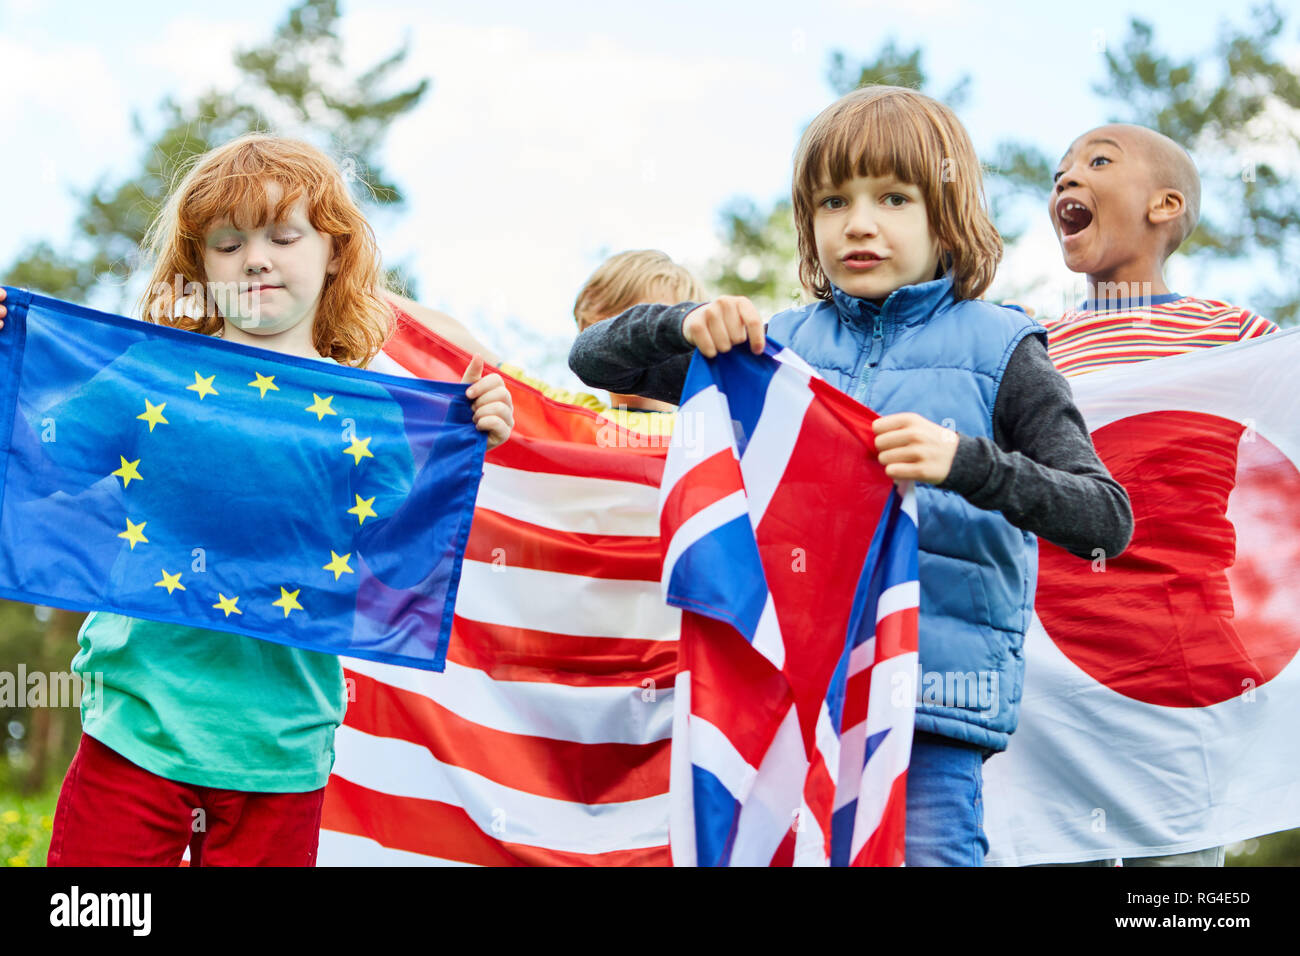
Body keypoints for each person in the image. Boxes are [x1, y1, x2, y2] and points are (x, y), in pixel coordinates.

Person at [569, 85, 1134, 866]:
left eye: (893, 197)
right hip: (783, 709)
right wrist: (683, 322)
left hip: (932, 714)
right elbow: (594, 356)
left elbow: (1106, 517)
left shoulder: (1003, 347)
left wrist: (963, 462)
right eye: (833, 202)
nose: (859, 223)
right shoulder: (776, 352)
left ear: (947, 215)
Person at [22, 133, 513, 866]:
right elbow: (35, 459)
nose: (256, 258)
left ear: (334, 254)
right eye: (227, 243)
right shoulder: (151, 374)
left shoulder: (368, 415)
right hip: (136, 722)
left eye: (285, 236)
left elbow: (401, 567)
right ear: (197, 267)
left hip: (283, 745)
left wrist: (464, 454)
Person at [1038, 123, 1278, 867]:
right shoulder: (1030, 346)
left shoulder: (1233, 334)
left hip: (1180, 654)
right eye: (1059, 174)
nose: (1066, 181)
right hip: (1052, 665)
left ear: (1165, 205)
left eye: (1097, 163)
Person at [500, 249, 705, 439]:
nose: (653, 334)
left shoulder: (707, 427)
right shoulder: (571, 416)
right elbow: (483, 365)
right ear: (594, 324)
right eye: (638, 321)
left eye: (670, 327)